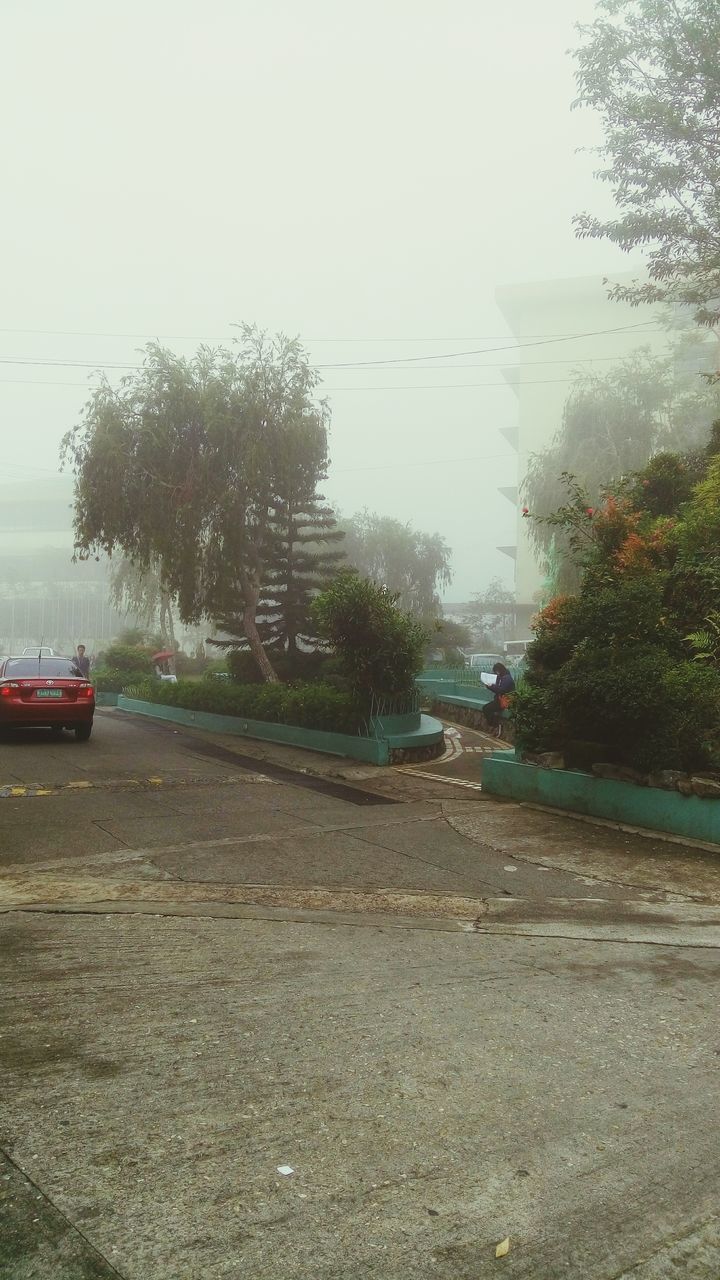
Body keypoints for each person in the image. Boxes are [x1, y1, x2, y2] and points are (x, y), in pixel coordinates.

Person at [483, 662, 515, 737]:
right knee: (487, 708)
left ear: (500, 670)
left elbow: (501, 690)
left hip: (505, 701)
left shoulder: (507, 678)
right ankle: (495, 726)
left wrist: (490, 687)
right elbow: (497, 688)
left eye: (496, 671)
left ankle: (496, 726)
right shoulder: (502, 677)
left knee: (487, 709)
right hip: (499, 700)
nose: (496, 673)